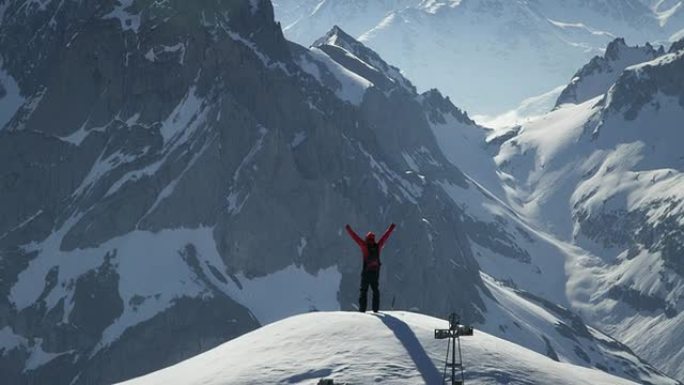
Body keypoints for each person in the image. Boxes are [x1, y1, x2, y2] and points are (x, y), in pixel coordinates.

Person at [345, 223, 396, 313]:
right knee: (375, 291)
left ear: (367, 238)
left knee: (363, 291)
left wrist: (348, 229)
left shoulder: (364, 246)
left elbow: (355, 238)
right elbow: (385, 237)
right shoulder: (378, 246)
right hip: (375, 273)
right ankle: (375, 309)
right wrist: (391, 228)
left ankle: (362, 309)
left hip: (366, 273)